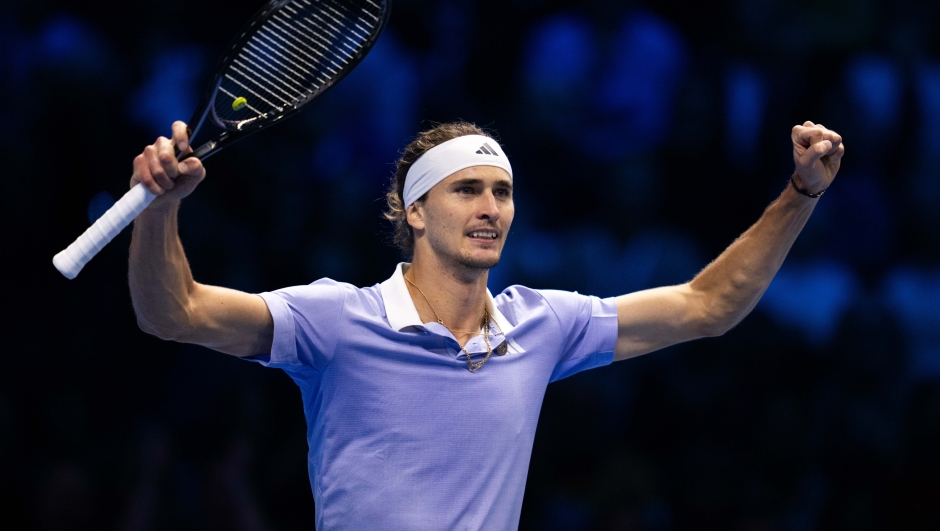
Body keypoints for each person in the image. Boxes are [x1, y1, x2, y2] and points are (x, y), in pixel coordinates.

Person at [128, 119, 844, 530]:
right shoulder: (334, 319)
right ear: (413, 211)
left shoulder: (544, 324)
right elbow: (174, 313)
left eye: (502, 191)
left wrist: (800, 193)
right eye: (467, 189)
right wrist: (159, 208)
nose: (491, 207)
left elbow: (707, 305)